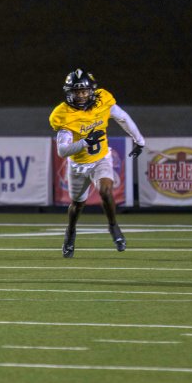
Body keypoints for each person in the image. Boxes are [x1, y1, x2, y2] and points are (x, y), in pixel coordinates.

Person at [49, 69, 145, 258]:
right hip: (77, 165)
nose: (81, 96)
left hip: (101, 158)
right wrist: (86, 142)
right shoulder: (63, 114)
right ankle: (70, 232)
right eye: (76, 92)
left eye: (84, 91)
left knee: (106, 191)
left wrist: (139, 140)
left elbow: (123, 117)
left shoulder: (103, 100)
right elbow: (62, 151)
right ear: (69, 92)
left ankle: (113, 226)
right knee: (77, 204)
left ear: (92, 91)